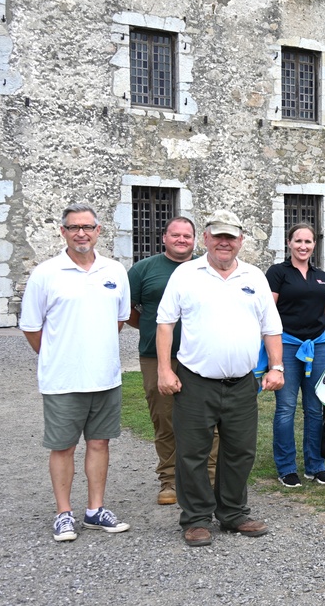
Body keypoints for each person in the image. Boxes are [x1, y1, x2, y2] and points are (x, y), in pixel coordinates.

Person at [156, 209, 284, 547]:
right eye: (218, 236)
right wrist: (164, 369)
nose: (224, 243)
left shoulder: (254, 277)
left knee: (240, 450)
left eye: (231, 237)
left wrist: (277, 367)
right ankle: (196, 519)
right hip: (196, 381)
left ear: (241, 241)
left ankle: (232, 512)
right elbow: (165, 323)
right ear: (206, 239)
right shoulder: (186, 275)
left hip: (242, 383)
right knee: (193, 452)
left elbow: (271, 328)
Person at [20, 204, 132, 542]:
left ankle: (95, 510)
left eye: (87, 227)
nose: (80, 233)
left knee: (99, 443)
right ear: (62, 232)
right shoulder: (46, 273)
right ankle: (63, 513)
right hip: (63, 379)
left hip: (105, 377)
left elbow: (119, 320)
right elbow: (31, 327)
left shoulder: (114, 271)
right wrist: (58, 354)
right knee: (64, 447)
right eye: (73, 228)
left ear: (99, 231)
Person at [127, 216, 218, 506]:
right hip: (156, 357)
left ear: (196, 239)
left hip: (202, 356)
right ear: (164, 238)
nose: (181, 240)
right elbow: (127, 310)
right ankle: (170, 480)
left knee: (208, 421)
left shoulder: (209, 268)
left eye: (187, 236)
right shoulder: (144, 270)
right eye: (175, 235)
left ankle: (210, 478)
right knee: (164, 419)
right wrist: (153, 329)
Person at [266, 222, 325, 488]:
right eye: (298, 241)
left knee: (315, 409)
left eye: (308, 242)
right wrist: (270, 355)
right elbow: (268, 314)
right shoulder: (277, 273)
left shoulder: (322, 276)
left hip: (318, 347)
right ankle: (286, 467)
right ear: (289, 243)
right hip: (286, 346)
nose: (303, 246)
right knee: (286, 409)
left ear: (314, 245)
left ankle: (315, 465)